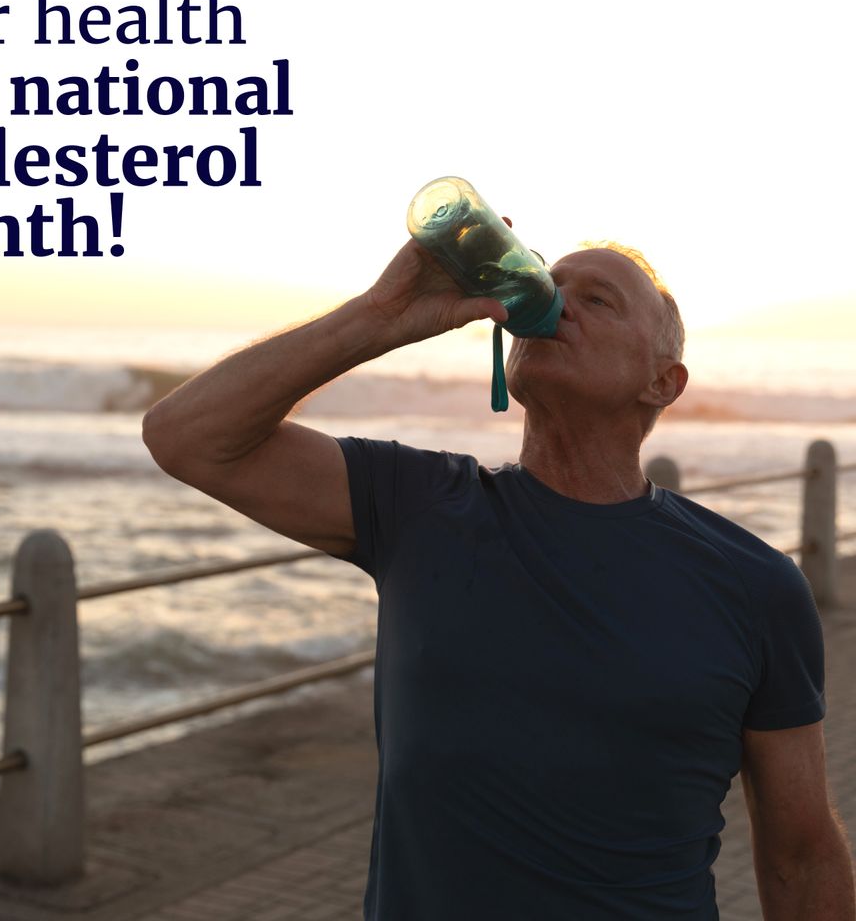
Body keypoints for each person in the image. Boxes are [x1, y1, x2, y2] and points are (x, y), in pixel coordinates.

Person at [141, 232, 855, 919]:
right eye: (550, 283)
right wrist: (381, 315)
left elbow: (802, 855)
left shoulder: (755, 585)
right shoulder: (419, 506)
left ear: (662, 383)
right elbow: (187, 436)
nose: (554, 299)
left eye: (599, 300)